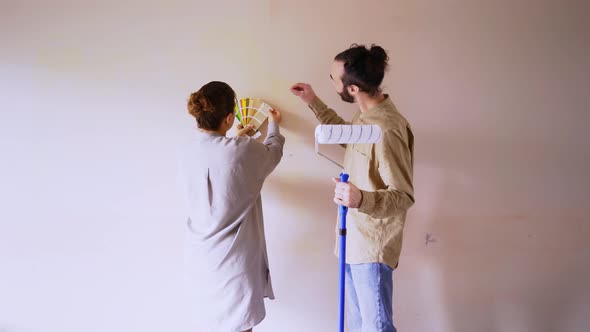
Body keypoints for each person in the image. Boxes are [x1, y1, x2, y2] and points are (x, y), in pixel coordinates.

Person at [291, 44, 415, 332]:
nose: (332, 82)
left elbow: (403, 196)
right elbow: (350, 137)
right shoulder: (364, 118)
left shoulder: (389, 129)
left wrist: (360, 199)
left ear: (353, 89)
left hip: (372, 246)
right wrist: (313, 101)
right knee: (359, 325)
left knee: (376, 327)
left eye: (334, 79)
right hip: (352, 239)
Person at [178, 81, 285, 332]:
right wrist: (275, 125)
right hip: (234, 265)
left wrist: (237, 138)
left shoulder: (184, 151)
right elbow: (273, 152)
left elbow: (218, 165)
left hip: (200, 260)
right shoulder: (241, 150)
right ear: (229, 118)